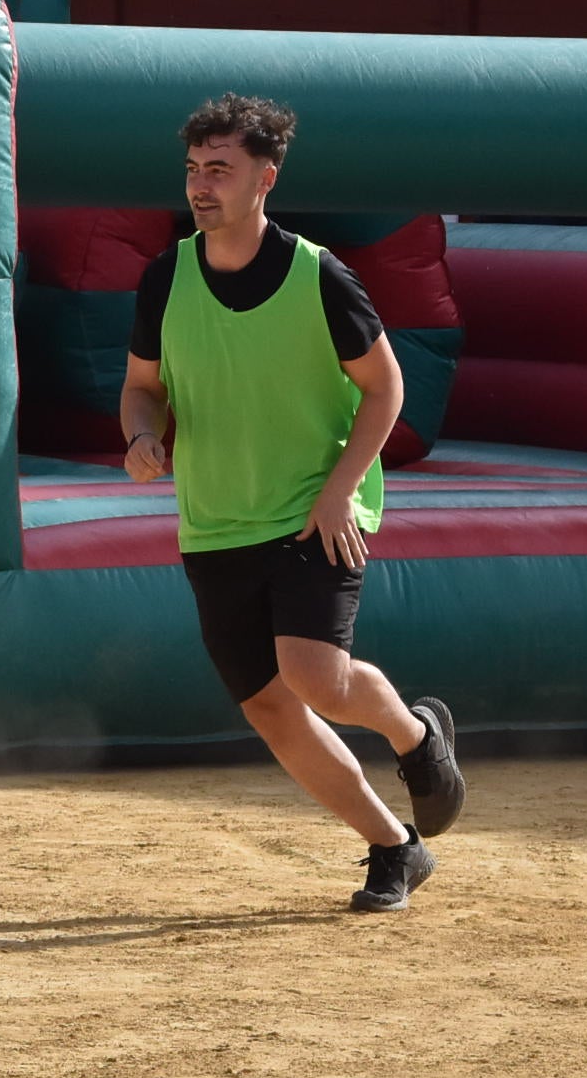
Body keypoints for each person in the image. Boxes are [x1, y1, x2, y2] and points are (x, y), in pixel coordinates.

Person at [116, 94, 464, 915]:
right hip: (214, 521)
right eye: (194, 169)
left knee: (316, 679)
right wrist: (140, 437)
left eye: (221, 170)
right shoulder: (165, 276)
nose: (202, 186)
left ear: (265, 178)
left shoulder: (320, 274)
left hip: (315, 511)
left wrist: (341, 490)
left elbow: (386, 388)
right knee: (273, 711)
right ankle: (394, 849)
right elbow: (140, 389)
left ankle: (415, 735)